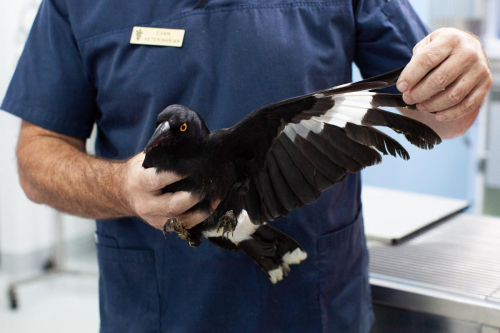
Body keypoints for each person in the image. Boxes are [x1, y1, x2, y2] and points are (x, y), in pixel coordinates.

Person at [2, 0, 491, 332]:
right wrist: (120, 187)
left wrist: (460, 74)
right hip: (158, 311)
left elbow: (434, 113)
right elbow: (35, 158)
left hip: (312, 309)